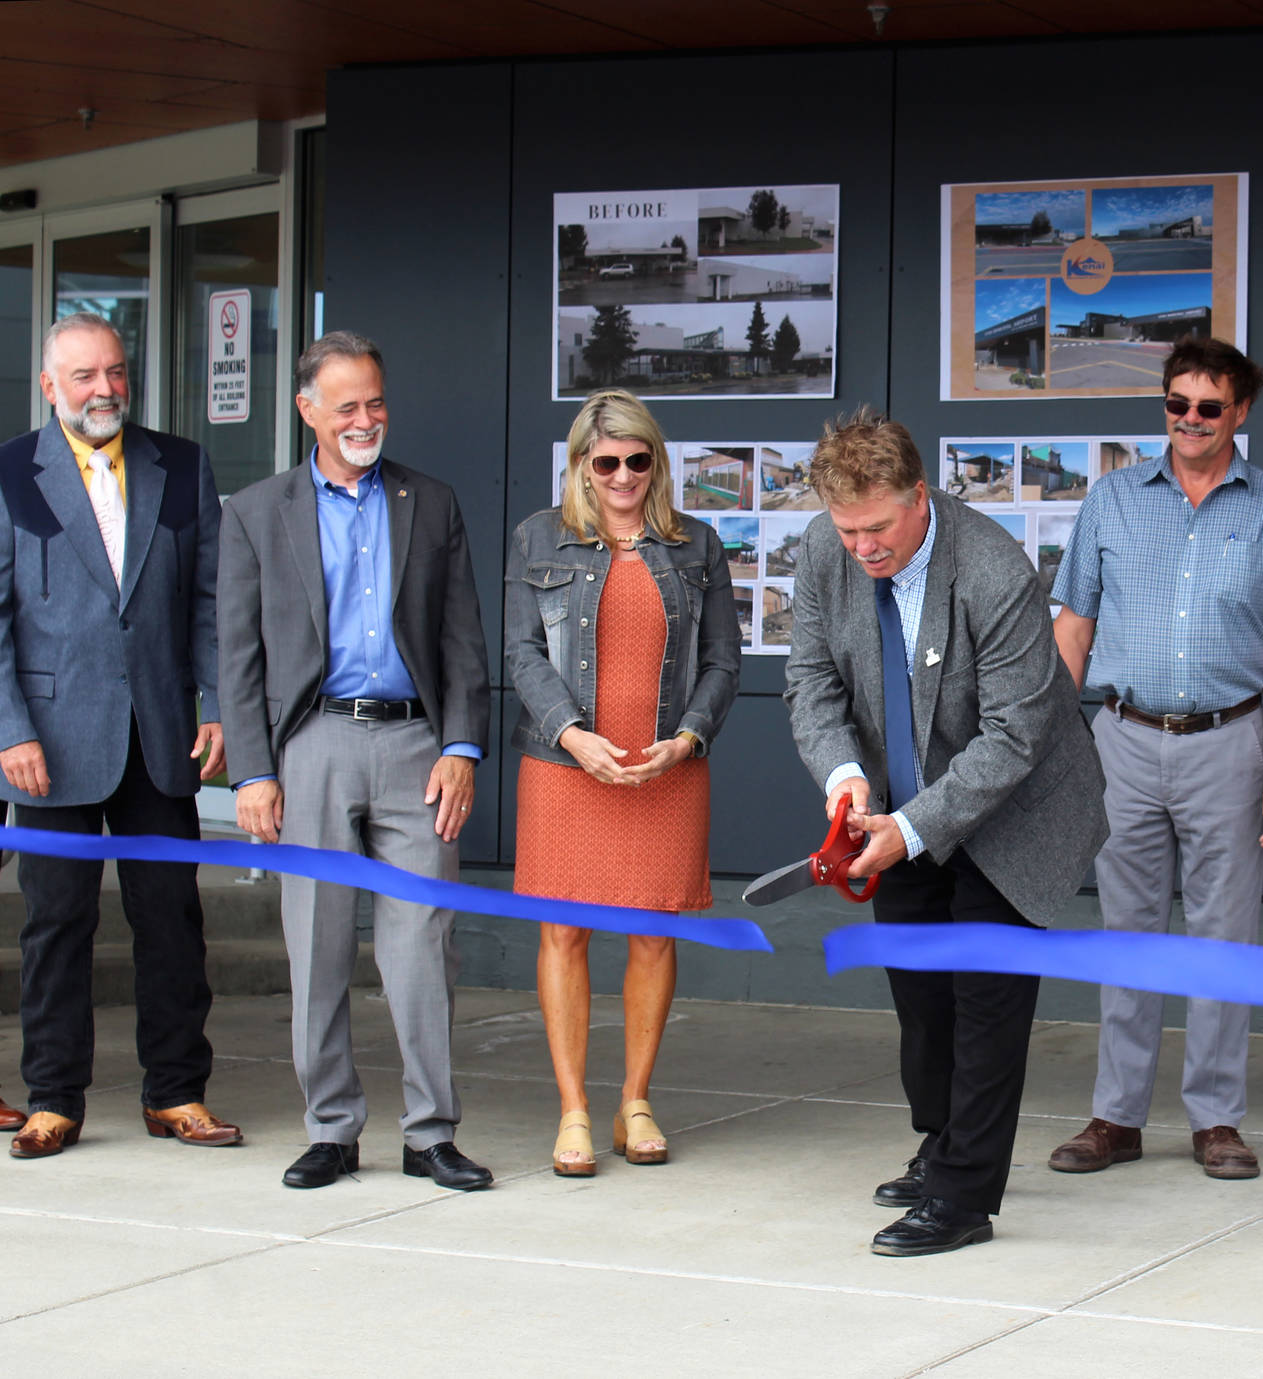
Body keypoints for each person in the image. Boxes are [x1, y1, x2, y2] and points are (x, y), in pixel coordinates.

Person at [785, 407, 1107, 1256]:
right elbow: (811, 682)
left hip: (1016, 806)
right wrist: (847, 779)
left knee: (985, 1002)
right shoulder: (826, 550)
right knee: (922, 995)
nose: (864, 548)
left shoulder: (994, 568)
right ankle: (941, 1143)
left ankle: (964, 1197)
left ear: (919, 496)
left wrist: (914, 825)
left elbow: (1013, 737)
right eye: (848, 529)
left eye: (879, 526)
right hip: (895, 801)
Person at [1045, 337, 1263, 1182]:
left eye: (1209, 407)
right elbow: (1074, 627)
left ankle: (1216, 1117)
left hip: (1230, 743)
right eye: (1176, 404)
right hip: (1123, 739)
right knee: (1126, 933)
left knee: (1222, 937)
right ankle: (1117, 1116)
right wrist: (1056, 742)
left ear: (1240, 412)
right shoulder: (1111, 501)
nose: (1190, 421)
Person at [217, 331, 494, 1192]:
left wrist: (460, 746)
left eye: (375, 401)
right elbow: (238, 659)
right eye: (347, 406)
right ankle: (331, 1129)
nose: (366, 419)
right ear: (308, 410)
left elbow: (461, 640)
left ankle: (430, 1132)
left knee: (423, 947)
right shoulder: (256, 512)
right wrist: (253, 773)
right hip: (314, 744)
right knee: (319, 945)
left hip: (417, 746)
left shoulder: (431, 502)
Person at [0, 312, 237, 1159]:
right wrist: (9, 731)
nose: (105, 389)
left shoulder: (182, 466)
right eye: (85, 377)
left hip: (162, 732)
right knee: (55, 922)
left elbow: (211, 601)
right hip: (48, 744)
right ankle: (53, 1097)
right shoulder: (8, 475)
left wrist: (216, 704)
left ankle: (176, 1091)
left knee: (170, 919)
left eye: (115, 372)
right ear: (49, 385)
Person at [505, 390, 739, 1177]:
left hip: (664, 770)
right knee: (564, 933)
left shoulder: (696, 544)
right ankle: (572, 1107)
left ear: (656, 462)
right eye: (606, 462)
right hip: (566, 770)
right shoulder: (539, 537)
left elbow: (722, 662)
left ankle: (634, 1099)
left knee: (652, 934)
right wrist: (573, 734)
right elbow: (521, 655)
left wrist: (687, 738)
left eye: (638, 460)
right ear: (581, 465)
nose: (623, 475)